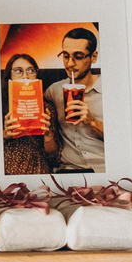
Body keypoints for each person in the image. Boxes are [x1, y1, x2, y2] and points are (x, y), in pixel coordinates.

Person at [47, 27, 105, 173]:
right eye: (65, 56)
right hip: (68, 170)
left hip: (102, 169)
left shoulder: (110, 90)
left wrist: (92, 122)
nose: (70, 64)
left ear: (93, 57)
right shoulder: (54, 90)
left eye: (78, 56)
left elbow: (124, 140)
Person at [1, 51, 57, 176]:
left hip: (39, 173)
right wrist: (4, 135)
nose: (25, 76)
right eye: (18, 71)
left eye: (31, 71)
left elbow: (55, 158)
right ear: (9, 76)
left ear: (37, 75)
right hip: (7, 176)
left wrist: (48, 134)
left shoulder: (47, 109)